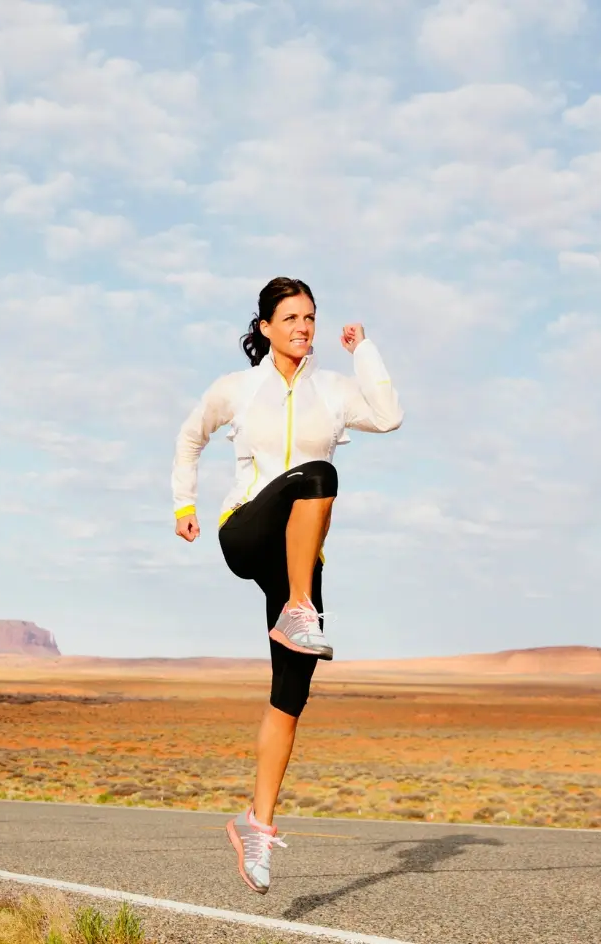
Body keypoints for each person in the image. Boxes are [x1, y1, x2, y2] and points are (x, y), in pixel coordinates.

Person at [170, 276, 403, 895]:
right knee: (318, 474)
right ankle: (299, 608)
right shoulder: (238, 389)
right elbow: (190, 437)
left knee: (291, 693)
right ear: (266, 327)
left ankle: (256, 825)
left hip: (302, 557)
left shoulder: (333, 390)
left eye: (311, 317)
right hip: (246, 531)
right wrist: (182, 504)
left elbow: (390, 415)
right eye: (291, 317)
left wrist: (365, 351)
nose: (303, 327)